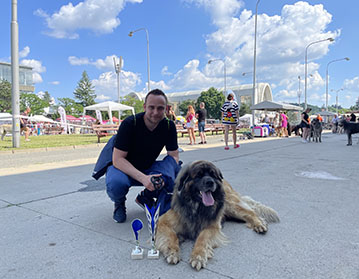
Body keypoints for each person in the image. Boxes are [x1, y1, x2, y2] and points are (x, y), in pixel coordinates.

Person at [105, 89, 180, 223]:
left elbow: (173, 157)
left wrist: (164, 177)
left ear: (166, 109)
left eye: (160, 108)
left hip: (148, 166)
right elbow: (117, 160)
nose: (155, 112)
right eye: (151, 107)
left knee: (178, 172)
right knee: (116, 183)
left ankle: (147, 197)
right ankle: (119, 203)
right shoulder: (130, 124)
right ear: (145, 107)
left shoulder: (169, 126)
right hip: (124, 168)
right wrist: (144, 178)